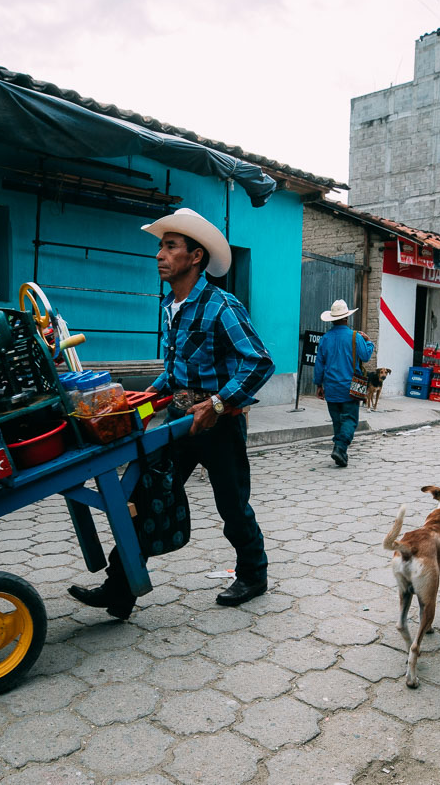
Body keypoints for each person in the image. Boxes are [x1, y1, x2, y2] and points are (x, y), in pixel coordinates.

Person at [68, 208, 274, 618]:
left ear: (195, 257)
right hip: (178, 421)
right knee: (146, 496)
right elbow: (177, 366)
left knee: (231, 505)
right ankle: (120, 588)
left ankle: (253, 574)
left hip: (220, 423)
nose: (159, 255)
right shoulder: (170, 305)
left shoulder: (221, 305)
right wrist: (150, 394)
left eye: (170, 246)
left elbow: (260, 362)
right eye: (160, 247)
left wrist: (217, 404)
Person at [313, 299, 373, 468]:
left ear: (332, 319)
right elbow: (366, 356)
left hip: (331, 387)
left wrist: (319, 385)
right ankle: (340, 447)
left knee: (337, 421)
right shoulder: (355, 337)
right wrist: (369, 342)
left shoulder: (325, 338)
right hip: (351, 386)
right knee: (350, 420)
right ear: (347, 318)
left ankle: (341, 452)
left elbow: (319, 364)